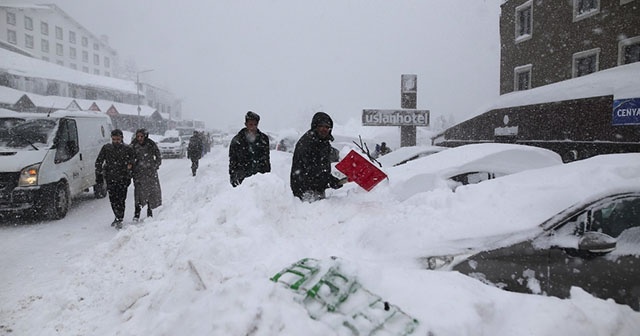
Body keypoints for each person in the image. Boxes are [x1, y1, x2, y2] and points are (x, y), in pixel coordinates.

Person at [290, 112, 344, 202]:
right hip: (304, 190)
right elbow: (311, 170)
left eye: (327, 127)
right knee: (309, 214)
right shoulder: (307, 143)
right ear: (315, 126)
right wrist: (329, 180)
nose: (324, 129)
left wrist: (330, 179)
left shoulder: (324, 143)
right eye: (321, 126)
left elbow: (322, 168)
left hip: (317, 189)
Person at [95, 129, 134, 229]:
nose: (116, 141)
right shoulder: (106, 148)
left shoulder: (127, 149)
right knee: (113, 199)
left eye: (118, 139)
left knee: (121, 199)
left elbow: (133, 160)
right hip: (110, 178)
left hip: (123, 178)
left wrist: (129, 168)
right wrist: (99, 175)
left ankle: (119, 218)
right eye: (114, 139)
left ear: (121, 138)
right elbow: (99, 161)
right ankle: (116, 216)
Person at [228, 111, 271, 187]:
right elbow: (233, 162)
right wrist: (234, 178)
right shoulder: (237, 140)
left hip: (259, 181)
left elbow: (266, 160)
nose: (253, 127)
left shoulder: (263, 140)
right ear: (246, 124)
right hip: (242, 181)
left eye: (255, 124)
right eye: (251, 124)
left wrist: (267, 178)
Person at [130, 128, 162, 221]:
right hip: (138, 173)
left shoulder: (151, 144)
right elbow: (129, 157)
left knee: (151, 192)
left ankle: (150, 210)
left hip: (150, 173)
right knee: (138, 194)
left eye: (141, 136)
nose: (140, 138)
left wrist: (155, 165)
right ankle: (137, 213)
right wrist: (132, 166)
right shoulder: (133, 145)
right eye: (138, 136)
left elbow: (158, 156)